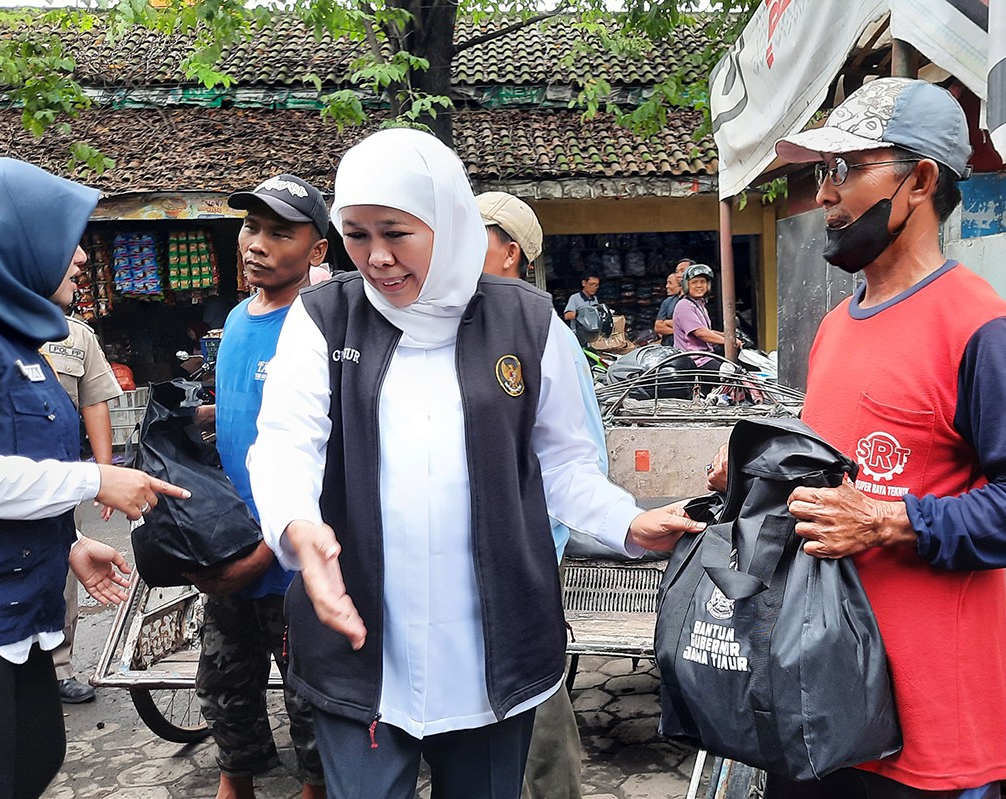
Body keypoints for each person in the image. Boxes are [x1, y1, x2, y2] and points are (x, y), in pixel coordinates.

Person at [246, 128, 702, 799]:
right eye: (356, 233)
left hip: (493, 648)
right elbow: (285, 440)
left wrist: (629, 524)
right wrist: (295, 526)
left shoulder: (527, 321)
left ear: (448, 220)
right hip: (363, 641)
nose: (376, 257)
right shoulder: (324, 320)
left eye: (396, 232)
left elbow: (565, 463)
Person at [710, 77, 1006, 799]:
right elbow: (836, 480)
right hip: (820, 700)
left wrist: (887, 520)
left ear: (918, 181)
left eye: (843, 169)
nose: (824, 195)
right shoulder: (833, 327)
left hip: (924, 732)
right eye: (823, 172)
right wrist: (756, 477)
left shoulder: (981, 329)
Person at [0, 158, 189, 799]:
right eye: (63, 239)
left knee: (33, 764)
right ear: (1, 239)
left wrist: (63, 544)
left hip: (15, 618)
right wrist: (90, 480)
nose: (82, 259)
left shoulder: (3, 336)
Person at [188, 174, 330, 799]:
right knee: (224, 683)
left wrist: (272, 546)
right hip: (230, 549)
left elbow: (329, 450)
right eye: (251, 227)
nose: (256, 244)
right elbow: (245, 410)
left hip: (294, 560)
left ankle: (316, 787)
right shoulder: (238, 320)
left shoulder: (321, 328)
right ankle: (235, 781)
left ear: (318, 251)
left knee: (310, 697)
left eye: (280, 232)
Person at [476, 190, 598, 799]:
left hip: (523, 558)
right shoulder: (456, 326)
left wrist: (536, 542)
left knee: (537, 708)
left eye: (478, 233)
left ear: (511, 252)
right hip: (465, 560)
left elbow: (581, 460)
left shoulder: (546, 333)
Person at [42, 252, 125, 704]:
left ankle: (58, 666)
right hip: (7, 483)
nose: (80, 262)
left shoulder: (78, 336)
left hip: (61, 476)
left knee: (68, 562)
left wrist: (104, 473)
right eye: (64, 253)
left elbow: (94, 402)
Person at [671, 263, 725, 365]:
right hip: (694, 361)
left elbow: (706, 331)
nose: (699, 285)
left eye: (703, 282)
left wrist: (727, 336)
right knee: (729, 375)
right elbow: (700, 332)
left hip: (705, 356)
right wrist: (729, 342)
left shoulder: (699, 305)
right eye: (694, 282)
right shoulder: (684, 305)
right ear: (687, 285)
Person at [653, 271, 682, 345]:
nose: (667, 286)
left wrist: (667, 323)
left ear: (680, 286)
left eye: (670, 283)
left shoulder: (691, 302)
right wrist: (680, 331)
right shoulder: (667, 302)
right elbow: (658, 327)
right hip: (668, 344)